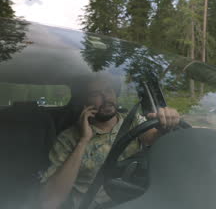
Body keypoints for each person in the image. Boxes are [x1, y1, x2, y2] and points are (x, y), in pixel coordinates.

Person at [39, 77, 180, 209]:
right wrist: (83, 140)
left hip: (136, 200)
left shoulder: (132, 121)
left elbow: (155, 139)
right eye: (96, 94)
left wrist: (166, 123)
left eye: (108, 90)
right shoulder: (68, 139)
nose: (106, 98)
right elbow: (50, 200)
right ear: (84, 102)